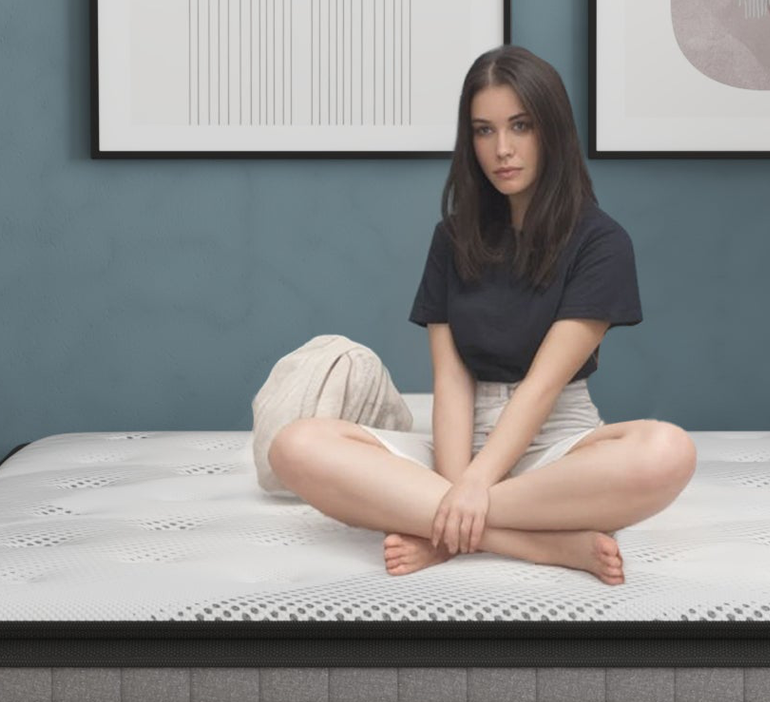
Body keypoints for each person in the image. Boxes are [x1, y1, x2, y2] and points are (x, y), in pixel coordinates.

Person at [268, 45, 697, 585]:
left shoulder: (602, 242)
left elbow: (543, 387)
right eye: (484, 130)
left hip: (555, 441)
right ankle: (533, 544)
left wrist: (473, 491)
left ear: (552, 131)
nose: (503, 149)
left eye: (520, 126)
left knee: (667, 451)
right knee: (295, 445)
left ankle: (447, 528)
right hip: (459, 442)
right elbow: (450, 379)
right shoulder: (452, 239)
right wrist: (458, 485)